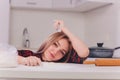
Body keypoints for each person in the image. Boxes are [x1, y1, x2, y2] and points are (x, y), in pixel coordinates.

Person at [17, 20, 89, 66]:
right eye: (55, 44)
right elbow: (6, 56)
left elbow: (84, 52)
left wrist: (64, 29)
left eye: (62, 52)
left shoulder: (64, 63)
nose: (55, 51)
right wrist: (24, 60)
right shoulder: (30, 55)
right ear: (49, 41)